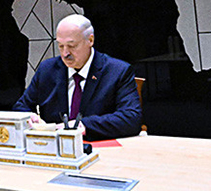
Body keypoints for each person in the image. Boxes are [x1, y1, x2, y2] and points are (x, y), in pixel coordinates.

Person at [13, 14, 142, 140]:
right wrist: (29, 117)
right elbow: (21, 107)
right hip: (54, 147)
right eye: (60, 46)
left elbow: (131, 118)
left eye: (72, 46)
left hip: (98, 145)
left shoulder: (117, 71)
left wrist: (82, 126)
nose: (65, 53)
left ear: (90, 40)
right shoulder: (47, 70)